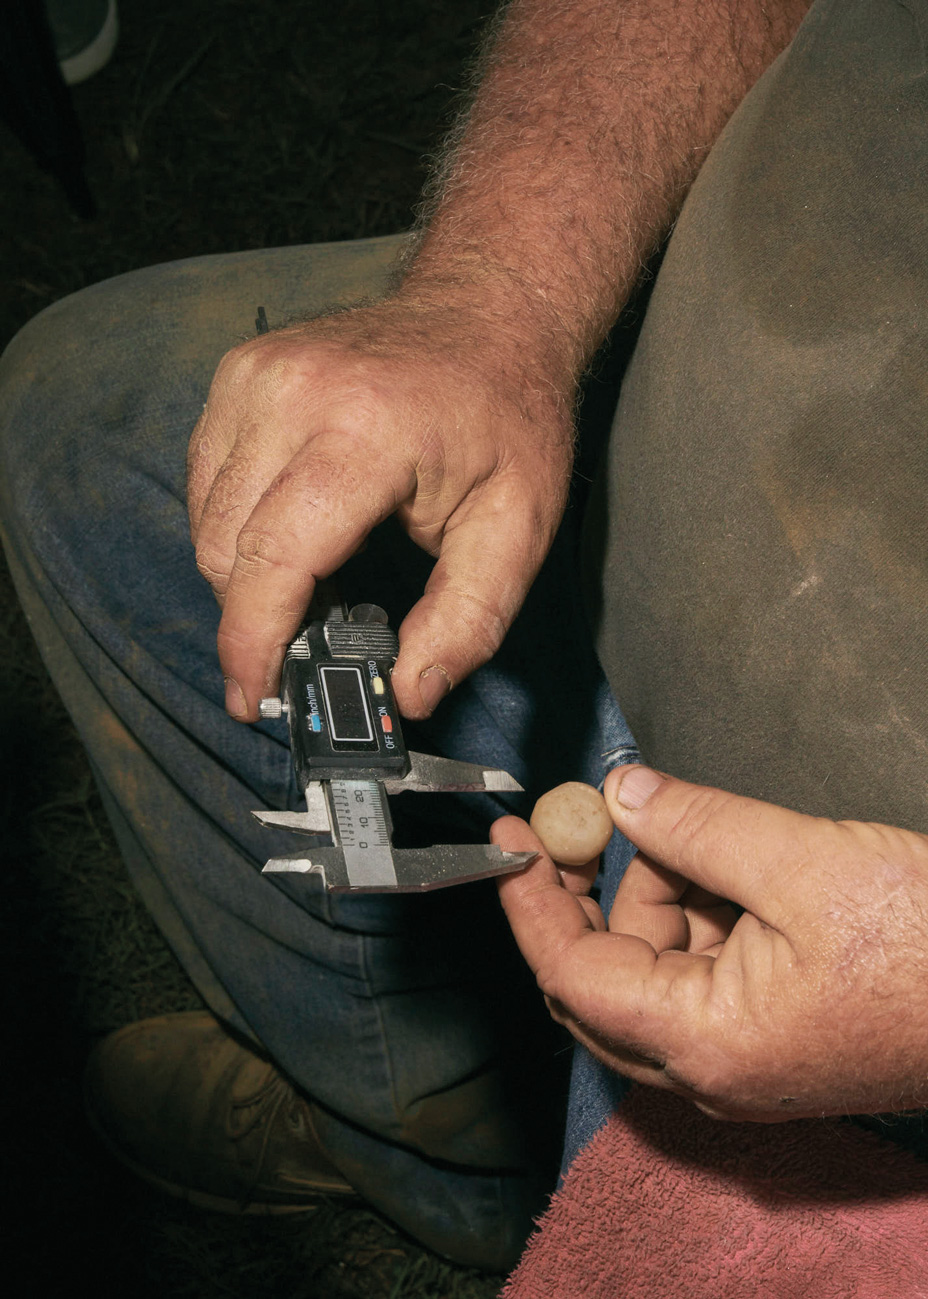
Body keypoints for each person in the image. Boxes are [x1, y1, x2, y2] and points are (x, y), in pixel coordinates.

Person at [2, 0, 926, 1275]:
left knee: (665, 1223)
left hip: (847, 940)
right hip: (687, 387)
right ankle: (420, 1138)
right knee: (83, 425)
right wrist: (498, 299)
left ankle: (525, 1188)